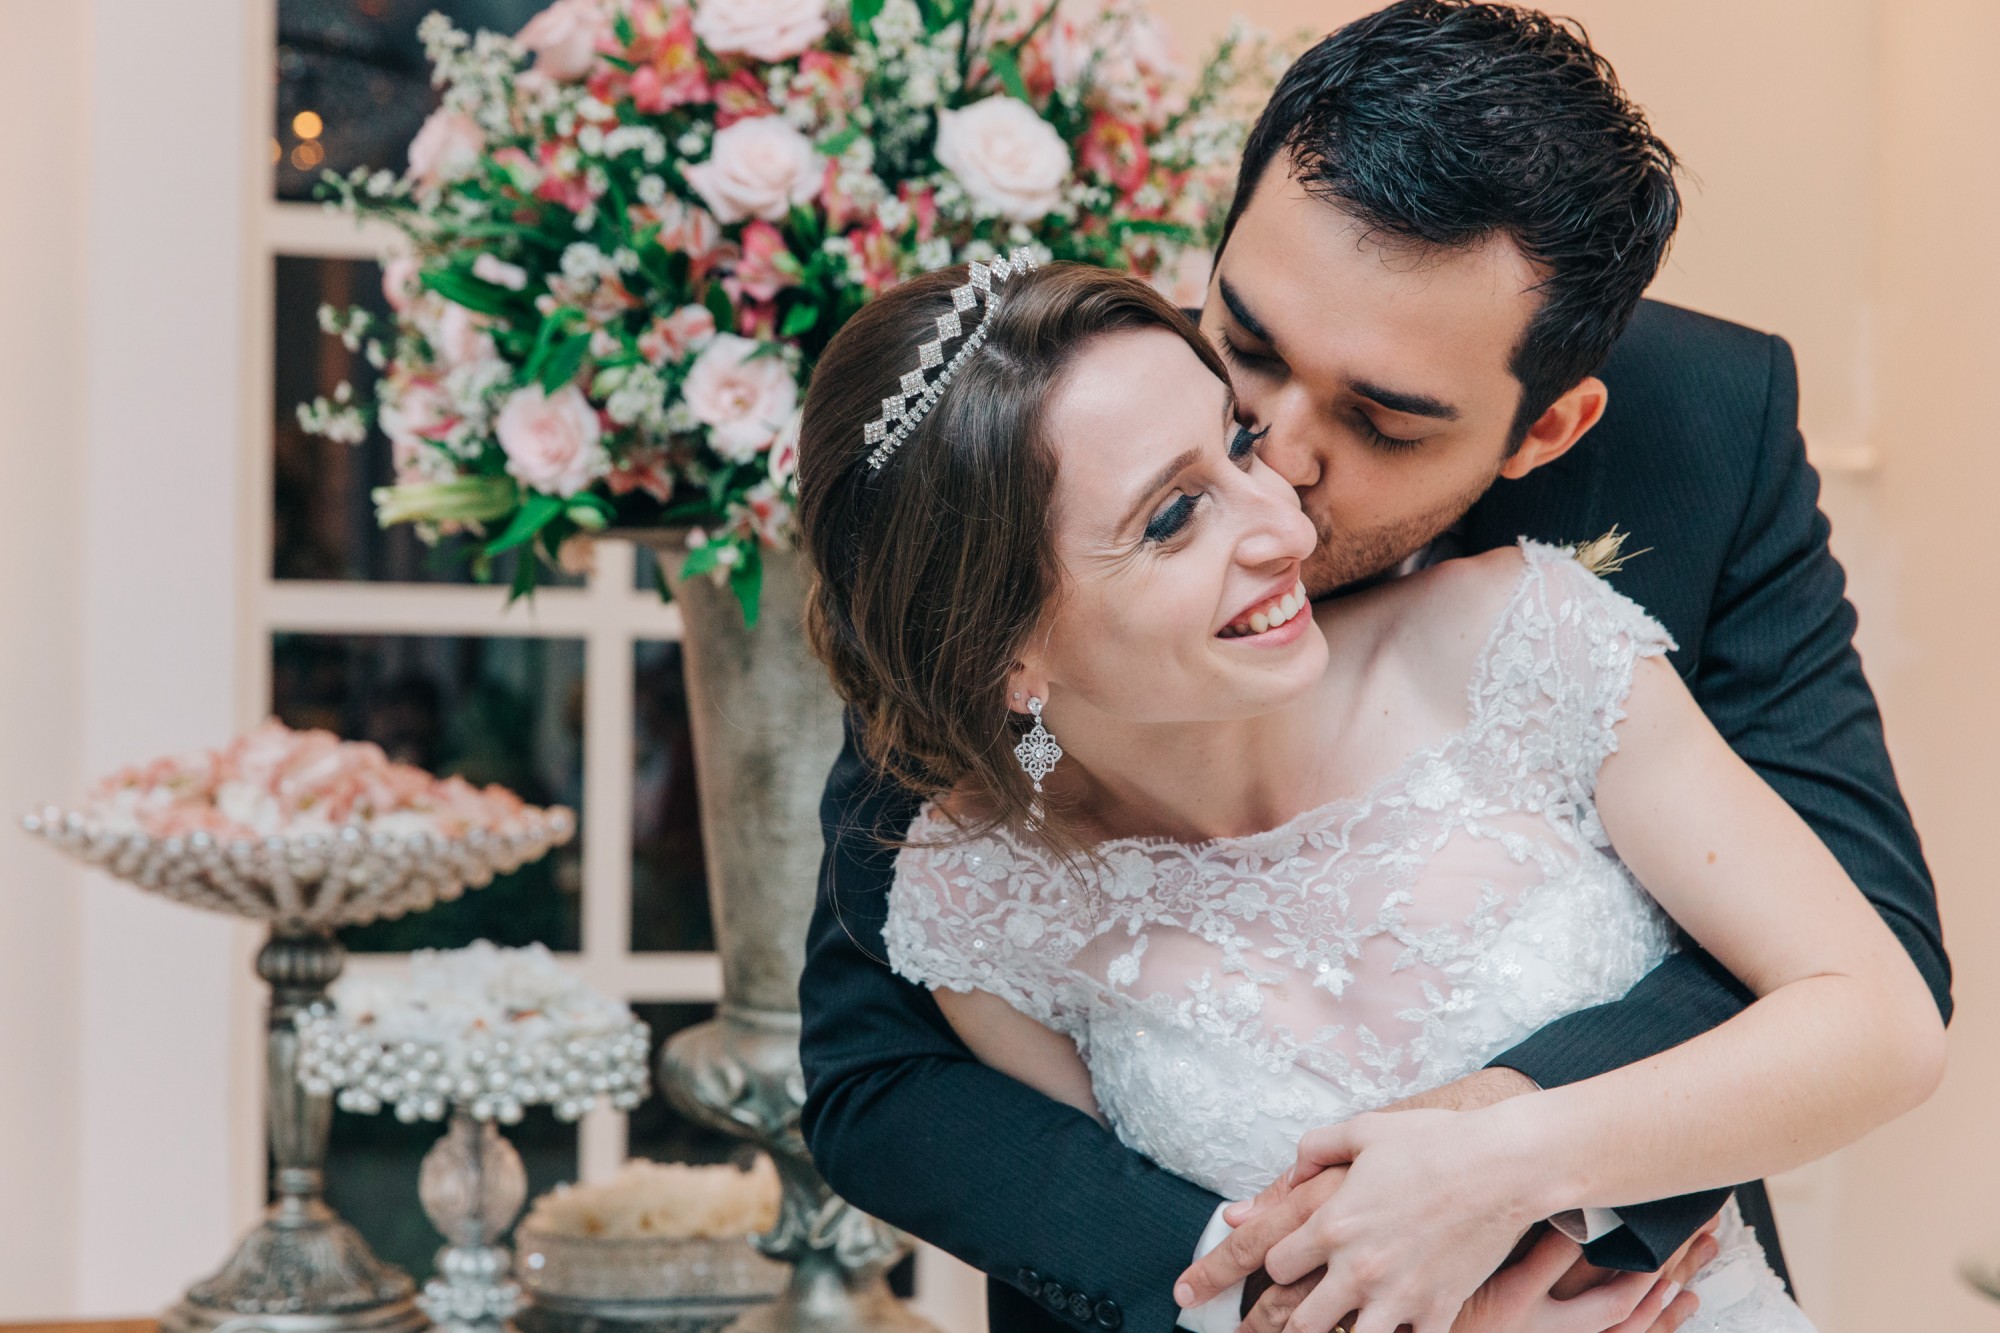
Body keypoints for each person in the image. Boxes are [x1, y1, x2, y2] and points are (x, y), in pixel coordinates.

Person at [796, 6, 1953, 1332]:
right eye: (1250, 353)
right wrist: (1292, 1302)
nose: (1277, 471)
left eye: (1381, 420)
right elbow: (880, 1065)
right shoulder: (1051, 453)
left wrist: (1487, 1158)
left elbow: (1863, 962)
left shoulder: (1685, 455)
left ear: (1550, 427)